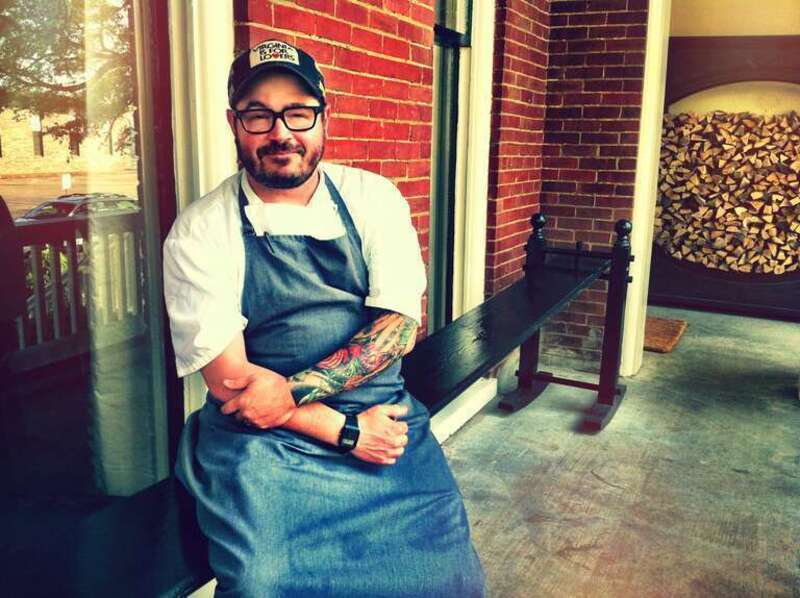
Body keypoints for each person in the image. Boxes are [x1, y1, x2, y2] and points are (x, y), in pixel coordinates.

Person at [163, 40, 485, 597]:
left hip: (383, 417)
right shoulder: (202, 230)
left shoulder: (373, 198)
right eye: (258, 114)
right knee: (266, 582)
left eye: (298, 112)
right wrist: (342, 429)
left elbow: (399, 328)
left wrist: (295, 395)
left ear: (322, 117)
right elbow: (234, 384)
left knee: (448, 580)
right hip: (263, 441)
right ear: (233, 123)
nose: (280, 133)